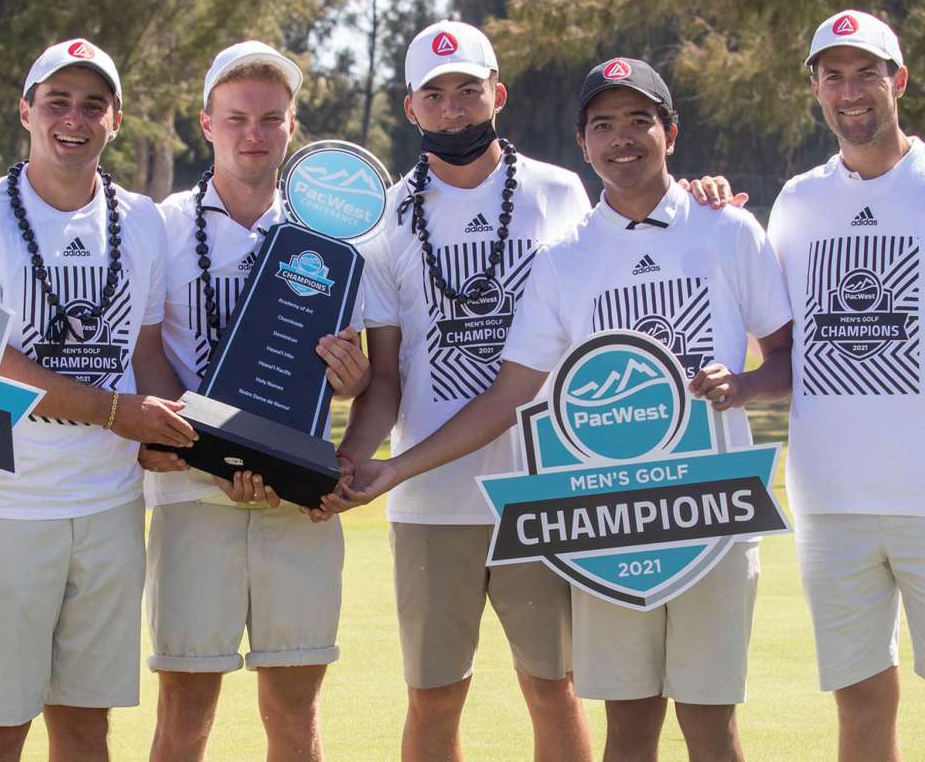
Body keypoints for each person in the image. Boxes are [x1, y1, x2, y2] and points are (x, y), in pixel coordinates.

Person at [333, 55, 792, 762]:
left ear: (670, 129)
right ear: (583, 143)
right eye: (603, 125)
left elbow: (788, 357)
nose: (622, 139)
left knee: (711, 726)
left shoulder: (727, 229)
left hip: (709, 511)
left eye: (639, 120)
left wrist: (748, 386)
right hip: (602, 515)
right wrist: (396, 468)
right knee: (627, 726)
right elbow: (510, 393)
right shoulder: (563, 257)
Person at [0, 38, 195, 762]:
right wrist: (117, 414)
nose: (73, 119)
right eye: (57, 101)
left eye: (93, 104)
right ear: (26, 111)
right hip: (3, 504)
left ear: (115, 119)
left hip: (111, 503)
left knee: (85, 726)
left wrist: (193, 436)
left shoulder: (141, 220)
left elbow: (145, 353)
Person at [140, 40, 370, 762]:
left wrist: (352, 377)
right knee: (184, 708)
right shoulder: (161, 224)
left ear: (292, 127)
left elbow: (359, 364)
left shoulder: (333, 234)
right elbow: (146, 351)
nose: (253, 133)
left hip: (295, 496)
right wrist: (195, 446)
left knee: (294, 707)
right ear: (205, 122)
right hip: (188, 491)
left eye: (271, 119)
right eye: (236, 117)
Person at [767, 10, 925, 762]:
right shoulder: (795, 202)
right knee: (860, 703)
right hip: (831, 503)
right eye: (833, 75)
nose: (849, 91)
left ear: (900, 81)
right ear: (816, 89)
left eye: (866, 73)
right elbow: (784, 347)